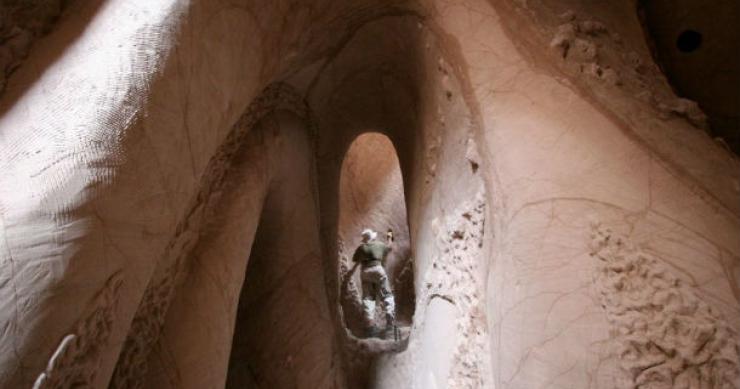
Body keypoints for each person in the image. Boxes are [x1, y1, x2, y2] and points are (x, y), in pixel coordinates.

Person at [352, 228, 396, 338]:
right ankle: (390, 323)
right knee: (387, 294)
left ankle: (370, 327)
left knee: (368, 298)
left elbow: (355, 259)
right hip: (377, 269)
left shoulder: (361, 248)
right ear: (373, 237)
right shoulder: (379, 244)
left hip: (365, 272)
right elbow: (390, 247)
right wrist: (390, 236)